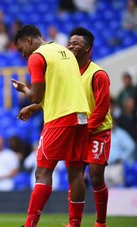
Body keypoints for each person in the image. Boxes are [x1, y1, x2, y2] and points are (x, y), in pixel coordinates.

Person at [11, 25, 89, 227]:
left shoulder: (36, 57)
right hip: (80, 116)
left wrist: (25, 90)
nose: (23, 54)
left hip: (59, 119)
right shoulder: (65, 51)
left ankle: (29, 225)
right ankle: (75, 223)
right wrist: (33, 108)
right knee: (76, 172)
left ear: (29, 41)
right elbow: (57, 92)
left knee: (43, 172)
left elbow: (37, 95)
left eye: (21, 49)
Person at [68, 27, 113, 227]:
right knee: (75, 176)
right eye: (69, 42)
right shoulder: (68, 72)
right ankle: (74, 222)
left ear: (88, 49)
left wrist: (86, 130)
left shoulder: (98, 74)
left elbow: (102, 107)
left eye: (76, 43)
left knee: (95, 177)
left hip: (97, 131)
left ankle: (100, 222)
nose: (71, 46)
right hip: (77, 131)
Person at [105, 118, 135, 187]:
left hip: (116, 166)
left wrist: (122, 157)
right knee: (104, 191)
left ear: (116, 123)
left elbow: (131, 146)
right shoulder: (104, 134)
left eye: (113, 122)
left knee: (118, 190)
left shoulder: (120, 133)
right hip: (105, 167)